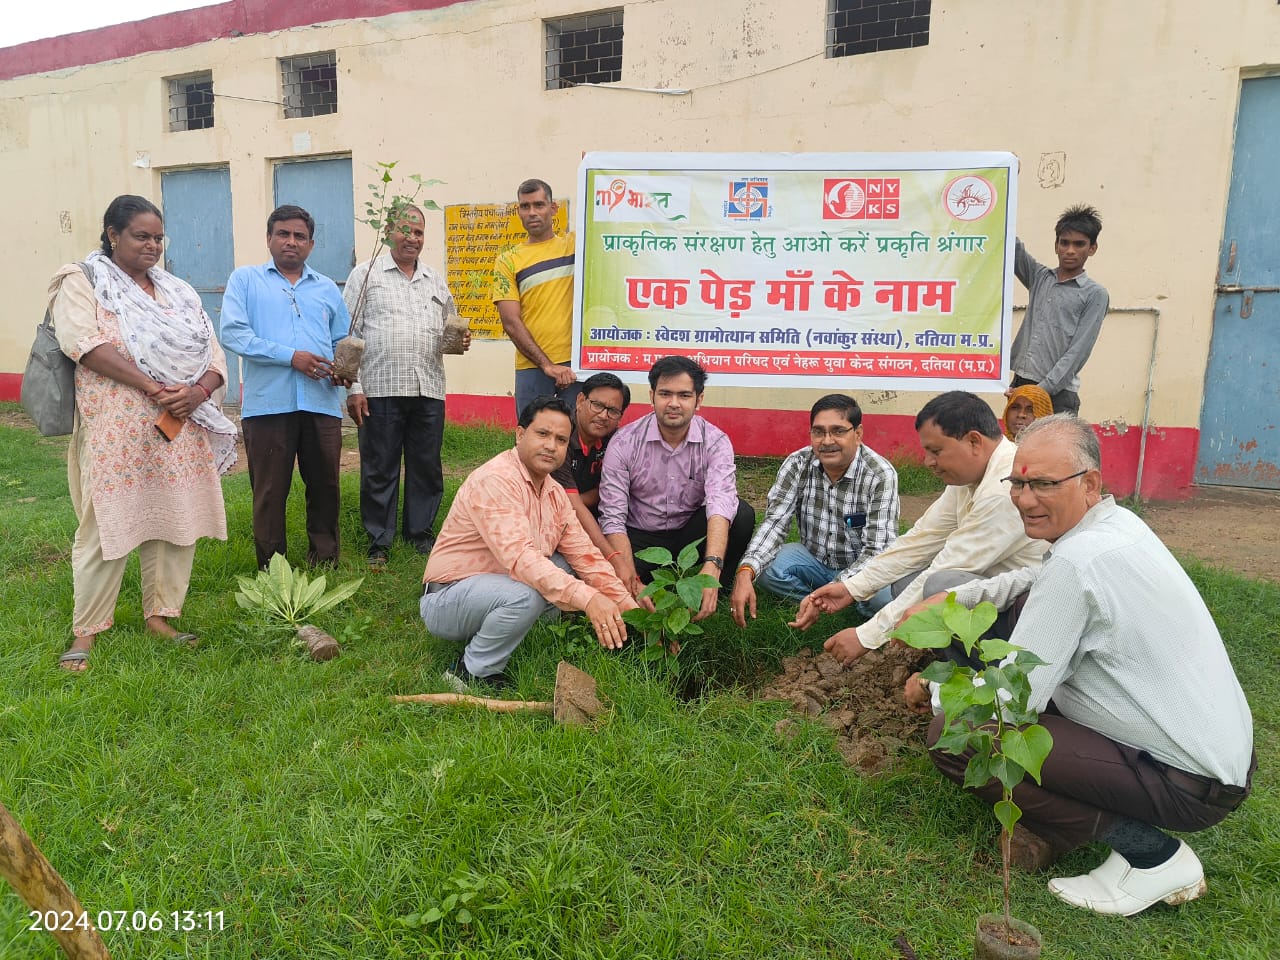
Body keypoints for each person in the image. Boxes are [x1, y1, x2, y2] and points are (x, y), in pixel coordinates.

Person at [901, 414, 1254, 917]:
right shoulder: (1116, 525)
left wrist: (933, 687)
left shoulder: (1078, 561)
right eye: (1018, 483)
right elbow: (1036, 578)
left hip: (1188, 784)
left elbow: (1012, 700)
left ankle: (1152, 856)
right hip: (1220, 760)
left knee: (957, 734)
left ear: (1089, 483)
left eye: (1044, 484)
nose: (1025, 499)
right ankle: (1071, 825)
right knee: (994, 611)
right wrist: (963, 596)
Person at [50, 195, 238, 671]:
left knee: (177, 522)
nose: (152, 245)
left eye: (158, 237)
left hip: (178, 428)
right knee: (106, 524)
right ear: (113, 235)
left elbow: (213, 355)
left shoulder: (178, 291)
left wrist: (198, 392)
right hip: (116, 433)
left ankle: (160, 616)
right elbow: (84, 345)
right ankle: (87, 629)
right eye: (141, 236)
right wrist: (155, 387)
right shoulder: (82, 282)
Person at [789, 391, 1043, 664]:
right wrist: (851, 587)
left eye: (936, 451)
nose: (928, 462)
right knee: (907, 581)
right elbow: (919, 541)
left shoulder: (1002, 490)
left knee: (939, 585)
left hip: (1030, 608)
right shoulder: (971, 478)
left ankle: (986, 669)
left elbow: (948, 565)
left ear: (974, 441)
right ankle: (946, 658)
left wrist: (867, 636)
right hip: (992, 588)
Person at [420, 396, 637, 689]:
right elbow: (522, 559)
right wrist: (589, 599)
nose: (551, 446)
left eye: (561, 440)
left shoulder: (554, 492)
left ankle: (515, 630)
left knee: (567, 565)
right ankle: (471, 671)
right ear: (520, 434)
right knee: (526, 594)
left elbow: (586, 555)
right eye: (542, 434)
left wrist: (631, 612)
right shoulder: (496, 480)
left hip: (496, 584)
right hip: (448, 597)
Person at [220, 204, 351, 569]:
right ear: (269, 238)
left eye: (300, 236)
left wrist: (343, 370)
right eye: (283, 234)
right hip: (268, 404)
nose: (291, 242)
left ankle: (324, 560)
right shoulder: (246, 280)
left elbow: (341, 339)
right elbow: (233, 333)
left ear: (311, 244)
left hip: (321, 402)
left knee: (325, 486)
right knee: (269, 491)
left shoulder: (326, 288)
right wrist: (291, 357)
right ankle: (271, 567)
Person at [344, 205, 472, 567]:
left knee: (426, 467)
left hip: (428, 387)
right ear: (388, 233)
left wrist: (459, 340)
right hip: (380, 388)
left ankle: (420, 535)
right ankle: (379, 542)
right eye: (405, 230)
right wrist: (353, 388)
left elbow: (449, 328)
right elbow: (347, 333)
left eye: (418, 232)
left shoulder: (434, 279)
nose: (412, 238)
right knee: (380, 467)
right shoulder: (366, 274)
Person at [598, 356, 756, 621]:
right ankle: (647, 583)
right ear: (652, 396)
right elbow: (612, 516)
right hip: (640, 536)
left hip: (689, 533)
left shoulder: (715, 441)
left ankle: (712, 589)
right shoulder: (625, 442)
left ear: (699, 399)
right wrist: (630, 576)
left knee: (741, 515)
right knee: (609, 578)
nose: (673, 403)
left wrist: (713, 564)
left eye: (684, 395)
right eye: (665, 394)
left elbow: (720, 501)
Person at [731, 394, 899, 627]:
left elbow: (878, 550)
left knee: (885, 597)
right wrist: (745, 570)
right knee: (765, 569)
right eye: (818, 432)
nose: (827, 441)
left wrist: (842, 586)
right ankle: (820, 603)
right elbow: (775, 523)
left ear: (858, 433)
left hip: (862, 567)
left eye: (838, 431)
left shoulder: (879, 474)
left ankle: (836, 601)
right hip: (814, 560)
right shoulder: (797, 464)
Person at [1008, 204, 1108, 414]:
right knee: (1019, 437)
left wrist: (1040, 391)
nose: (1070, 250)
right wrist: (1000, 194)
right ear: (1056, 246)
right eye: (1064, 243)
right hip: (1021, 384)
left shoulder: (1095, 294)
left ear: (1092, 248)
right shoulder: (1040, 277)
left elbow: (1078, 352)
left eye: (1079, 244)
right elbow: (1011, 247)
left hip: (1058, 394)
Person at [492, 179, 579, 417]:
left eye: (539, 205)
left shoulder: (574, 246)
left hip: (576, 366)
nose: (532, 212)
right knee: (531, 435)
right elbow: (510, 321)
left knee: (574, 435)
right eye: (525, 206)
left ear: (553, 208)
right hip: (532, 367)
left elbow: (600, 217)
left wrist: (593, 168)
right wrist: (547, 365)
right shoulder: (507, 261)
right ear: (518, 211)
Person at [550, 372, 632, 579]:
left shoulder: (617, 440)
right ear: (580, 400)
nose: (603, 416)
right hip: (553, 520)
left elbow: (624, 491)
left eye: (613, 411)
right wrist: (614, 558)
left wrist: (581, 500)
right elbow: (571, 508)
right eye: (597, 405)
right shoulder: (559, 437)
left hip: (595, 514)